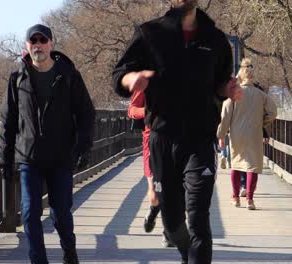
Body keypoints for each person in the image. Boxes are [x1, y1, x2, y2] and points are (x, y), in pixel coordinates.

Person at [113, 1, 242, 263]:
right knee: (172, 220)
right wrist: (131, 80)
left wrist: (228, 90)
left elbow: (221, 82)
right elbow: (119, 73)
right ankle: (187, 254)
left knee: (198, 213)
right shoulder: (150, 34)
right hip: (162, 138)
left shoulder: (215, 40)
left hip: (200, 139)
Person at [0, 24, 95, 264]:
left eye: (43, 40)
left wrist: (82, 147)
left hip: (61, 157)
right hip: (29, 157)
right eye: (34, 41)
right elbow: (7, 122)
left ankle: (69, 252)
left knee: (60, 213)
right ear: (27, 46)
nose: (38, 45)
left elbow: (86, 113)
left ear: (52, 44)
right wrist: (4, 161)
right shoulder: (17, 78)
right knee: (30, 214)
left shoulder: (68, 75)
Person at [217, 58, 277, 210]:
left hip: (236, 135)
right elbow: (273, 112)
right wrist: (263, 123)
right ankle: (249, 199)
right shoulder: (261, 95)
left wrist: (221, 136)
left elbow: (225, 117)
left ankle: (236, 198)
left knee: (236, 166)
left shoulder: (234, 94)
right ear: (252, 76)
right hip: (254, 134)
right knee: (252, 167)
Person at [127, 90, 175, 248]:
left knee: (174, 189)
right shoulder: (146, 81)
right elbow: (132, 110)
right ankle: (154, 209)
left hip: (177, 141)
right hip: (152, 142)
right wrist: (147, 111)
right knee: (154, 193)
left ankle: (168, 232)